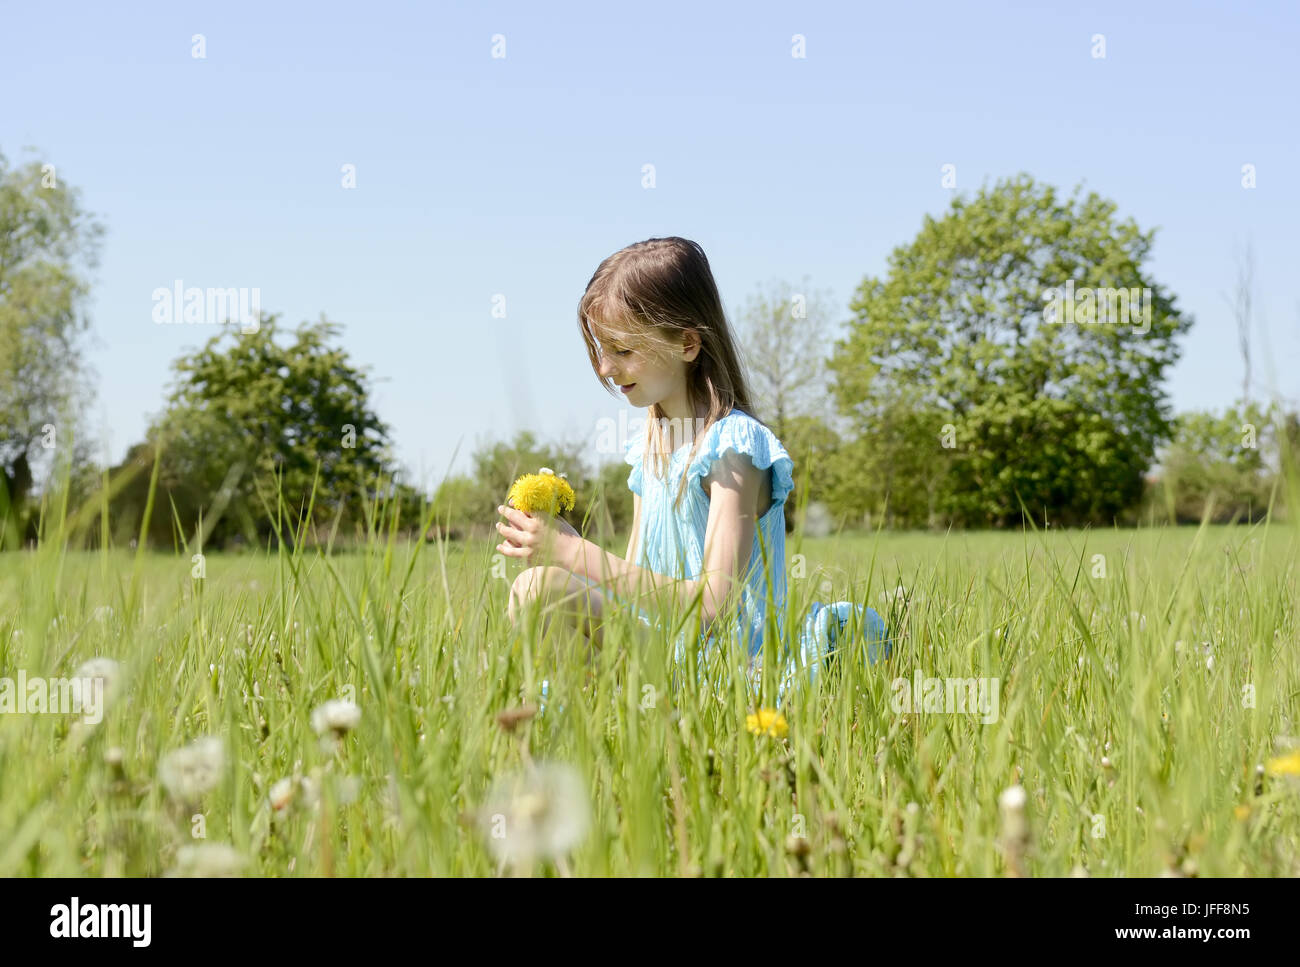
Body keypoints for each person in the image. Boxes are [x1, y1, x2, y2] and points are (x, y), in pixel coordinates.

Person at [495, 236, 890, 701]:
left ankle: (607, 713)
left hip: (729, 662)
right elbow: (636, 585)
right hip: (663, 650)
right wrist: (570, 545)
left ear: (686, 343)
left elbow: (714, 605)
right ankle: (578, 730)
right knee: (531, 589)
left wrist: (572, 557)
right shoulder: (650, 450)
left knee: (545, 586)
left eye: (622, 350)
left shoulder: (734, 447)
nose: (604, 368)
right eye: (601, 351)